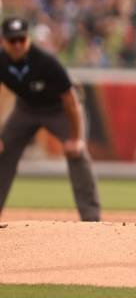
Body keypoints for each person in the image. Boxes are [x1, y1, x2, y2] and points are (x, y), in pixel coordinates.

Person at [0, 17, 100, 221]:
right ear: (3, 41)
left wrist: (76, 138)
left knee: (77, 154)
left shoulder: (45, 61)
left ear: (28, 39)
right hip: (26, 108)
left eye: (21, 39)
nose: (17, 44)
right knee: (3, 152)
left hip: (59, 110)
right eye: (12, 40)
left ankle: (91, 220)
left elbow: (71, 100)